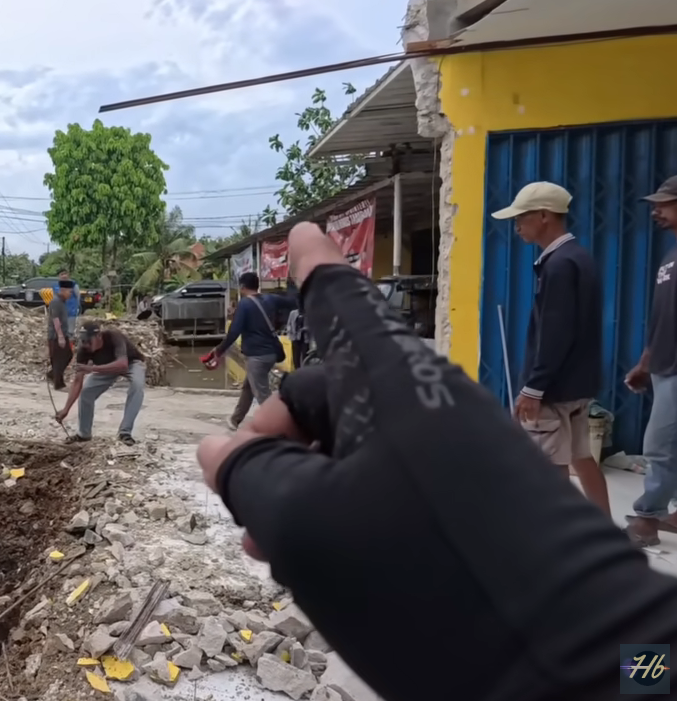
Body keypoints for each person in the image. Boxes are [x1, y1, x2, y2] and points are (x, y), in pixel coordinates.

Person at [197, 222, 677, 701]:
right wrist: (599, 636)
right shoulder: (648, 665)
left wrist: (578, 653)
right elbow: (650, 673)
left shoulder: (566, 263)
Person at [491, 182, 609, 517]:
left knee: (549, 468)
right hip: (578, 385)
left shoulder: (558, 265)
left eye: (522, 218)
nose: (516, 226)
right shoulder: (580, 258)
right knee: (581, 459)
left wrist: (533, 387)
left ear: (544, 216)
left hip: (553, 389)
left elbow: (556, 333)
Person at [625, 175, 677, 547]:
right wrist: (645, 361)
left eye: (664, 203)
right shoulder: (670, 258)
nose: (656, 211)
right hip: (664, 366)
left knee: (659, 444)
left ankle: (648, 518)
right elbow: (662, 318)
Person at [210, 272, 296, 430]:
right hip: (270, 353)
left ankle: (280, 429)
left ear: (242, 287)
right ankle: (235, 419)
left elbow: (234, 331)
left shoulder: (245, 304)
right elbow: (293, 302)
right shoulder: (270, 299)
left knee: (263, 395)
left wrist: (219, 350)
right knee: (249, 388)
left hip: (257, 356)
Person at [55, 321, 145, 446]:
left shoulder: (113, 336)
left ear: (99, 336)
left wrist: (92, 369)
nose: (85, 344)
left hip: (131, 363)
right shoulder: (84, 349)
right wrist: (66, 410)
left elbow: (123, 366)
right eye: (83, 341)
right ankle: (84, 434)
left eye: (88, 340)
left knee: (137, 386)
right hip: (105, 368)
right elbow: (77, 381)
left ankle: (125, 432)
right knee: (86, 391)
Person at [46, 280, 75, 390]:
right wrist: (60, 336)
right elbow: (55, 319)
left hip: (63, 333)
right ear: (63, 290)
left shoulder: (62, 302)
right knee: (58, 359)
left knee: (68, 355)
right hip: (56, 335)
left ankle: (52, 374)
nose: (70, 294)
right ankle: (58, 384)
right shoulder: (56, 302)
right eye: (69, 292)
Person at [53, 269, 81, 337]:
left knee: (70, 332)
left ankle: (70, 345)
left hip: (71, 312)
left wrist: (77, 307)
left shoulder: (73, 285)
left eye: (65, 274)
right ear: (59, 276)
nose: (64, 276)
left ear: (68, 275)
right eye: (62, 274)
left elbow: (78, 296)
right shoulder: (56, 286)